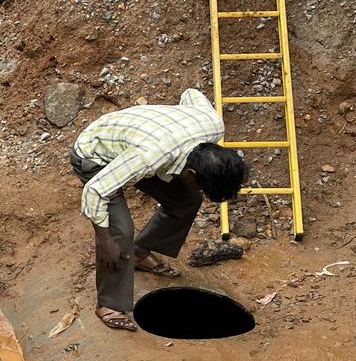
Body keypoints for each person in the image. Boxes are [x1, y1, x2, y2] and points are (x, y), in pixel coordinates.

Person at [69, 88, 248, 331]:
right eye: (203, 187)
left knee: (187, 200)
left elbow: (190, 93)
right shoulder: (149, 157)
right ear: (191, 174)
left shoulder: (214, 124)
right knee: (120, 230)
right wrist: (105, 240)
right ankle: (109, 305)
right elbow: (96, 190)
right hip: (95, 154)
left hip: (142, 147)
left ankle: (139, 252)